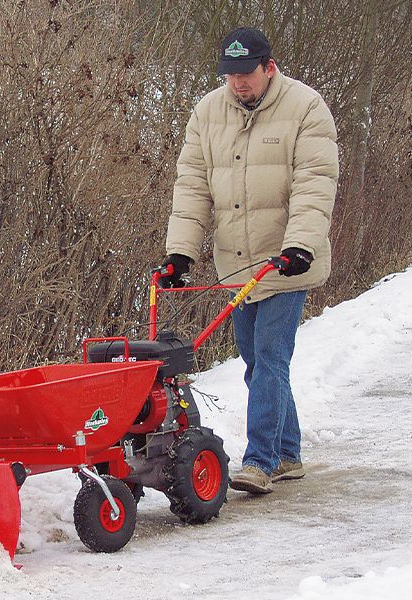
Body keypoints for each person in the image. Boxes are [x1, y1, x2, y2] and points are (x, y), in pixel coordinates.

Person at [159, 27, 339, 494]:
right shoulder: (207, 112)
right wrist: (180, 253)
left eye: (247, 74)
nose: (239, 83)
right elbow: (192, 187)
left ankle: (259, 461)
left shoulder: (306, 107)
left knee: (270, 360)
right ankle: (289, 454)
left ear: (269, 67)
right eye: (231, 74)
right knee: (257, 362)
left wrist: (301, 244)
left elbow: (315, 185)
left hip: (285, 262)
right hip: (236, 264)